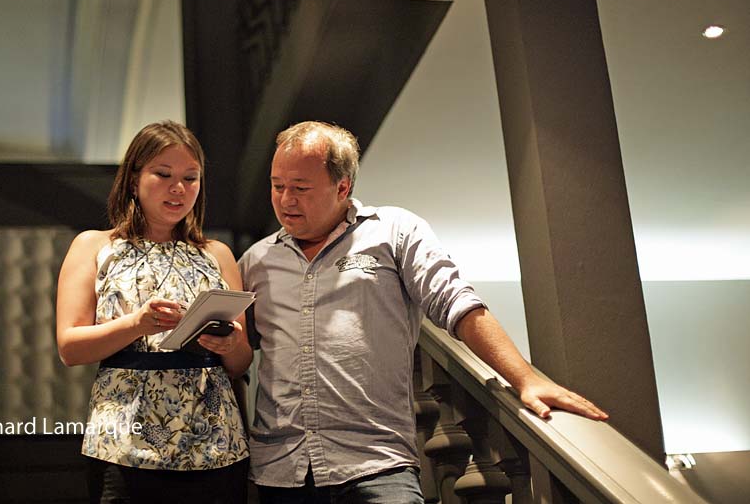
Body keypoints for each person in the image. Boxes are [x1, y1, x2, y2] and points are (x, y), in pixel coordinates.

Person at [238, 121, 608, 503]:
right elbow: (235, 355)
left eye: (300, 188)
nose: (285, 200)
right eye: (277, 186)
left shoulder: (394, 231)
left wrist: (525, 378)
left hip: (377, 467)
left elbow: (457, 303)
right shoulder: (255, 261)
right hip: (281, 473)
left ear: (342, 187)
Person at [56, 121, 252, 504]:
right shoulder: (95, 246)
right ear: (133, 180)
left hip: (215, 440)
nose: (178, 189)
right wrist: (137, 324)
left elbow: (241, 363)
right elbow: (69, 347)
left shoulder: (217, 254)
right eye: (163, 174)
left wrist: (231, 343)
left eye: (190, 178)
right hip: (124, 441)